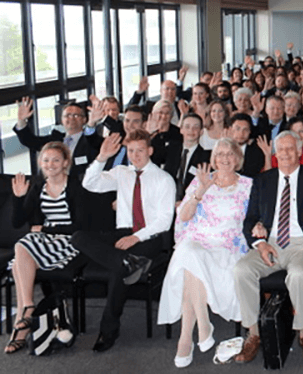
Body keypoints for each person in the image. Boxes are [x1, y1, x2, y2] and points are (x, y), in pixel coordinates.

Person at [232, 131, 303, 365]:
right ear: (274, 153)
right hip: (269, 244)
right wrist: (260, 244)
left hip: (302, 246)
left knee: (299, 275)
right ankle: (253, 334)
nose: (285, 153)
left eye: (290, 148)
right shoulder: (263, 180)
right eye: (280, 149)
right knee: (241, 270)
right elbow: (250, 219)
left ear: (300, 151)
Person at [71, 129, 176, 352]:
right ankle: (127, 262)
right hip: (123, 231)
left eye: (140, 150)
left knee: (119, 272)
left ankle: (108, 331)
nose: (135, 155)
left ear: (150, 151)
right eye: (131, 151)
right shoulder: (121, 172)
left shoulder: (164, 179)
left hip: (150, 236)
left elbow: (165, 221)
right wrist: (101, 157)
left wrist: (135, 237)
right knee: (78, 237)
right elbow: (90, 184)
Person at [157, 138, 252, 368]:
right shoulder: (202, 181)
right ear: (214, 159)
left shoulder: (248, 185)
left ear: (237, 158)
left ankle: (186, 338)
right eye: (220, 154)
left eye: (229, 154)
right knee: (189, 251)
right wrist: (200, 190)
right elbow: (185, 216)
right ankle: (202, 326)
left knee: (190, 262)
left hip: (227, 246)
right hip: (199, 240)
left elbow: (257, 217)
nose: (225, 159)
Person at [5, 142, 83, 354]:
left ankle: (22, 323)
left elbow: (81, 225)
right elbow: (17, 222)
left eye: (56, 160)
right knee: (22, 246)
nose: (50, 164)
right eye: (46, 160)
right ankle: (27, 309)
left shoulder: (75, 186)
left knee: (21, 253)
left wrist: (48, 228)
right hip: (42, 240)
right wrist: (18, 198)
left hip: (67, 240)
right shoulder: (39, 186)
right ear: (40, 163)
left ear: (65, 162)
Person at [163, 114, 211, 201]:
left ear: (201, 131)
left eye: (195, 127)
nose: (191, 130)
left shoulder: (206, 157)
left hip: (191, 202)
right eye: (187, 126)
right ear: (181, 130)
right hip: (166, 198)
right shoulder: (170, 149)